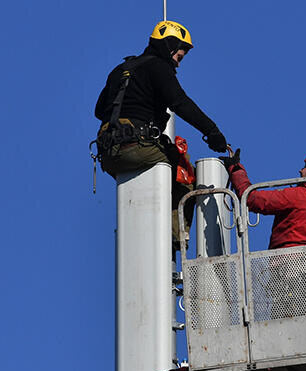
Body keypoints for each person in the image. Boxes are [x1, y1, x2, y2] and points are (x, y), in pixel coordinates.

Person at [94, 20, 228, 247]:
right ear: (170, 45)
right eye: (181, 51)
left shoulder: (120, 70)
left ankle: (147, 225)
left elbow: (99, 111)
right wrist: (212, 132)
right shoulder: (158, 67)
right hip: (136, 148)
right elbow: (180, 102)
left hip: (107, 152)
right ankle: (176, 238)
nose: (181, 58)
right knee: (185, 174)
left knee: (161, 160)